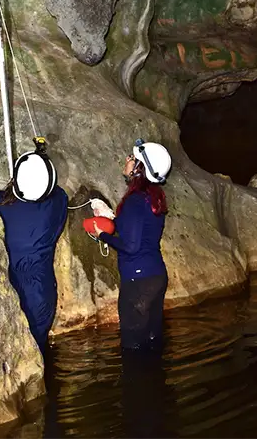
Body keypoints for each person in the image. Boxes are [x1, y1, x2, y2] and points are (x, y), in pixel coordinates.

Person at [89, 139, 173, 353]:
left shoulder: (135, 200)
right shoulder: (154, 197)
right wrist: (112, 220)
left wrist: (102, 235)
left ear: (138, 169)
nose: (127, 160)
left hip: (139, 283)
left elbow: (131, 246)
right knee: (153, 341)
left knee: (133, 347)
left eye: (132, 158)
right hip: (155, 276)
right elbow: (140, 229)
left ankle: (136, 374)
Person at [0, 140, 68, 357]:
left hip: (7, 289)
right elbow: (56, 191)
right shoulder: (58, 202)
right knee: (37, 352)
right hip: (41, 292)